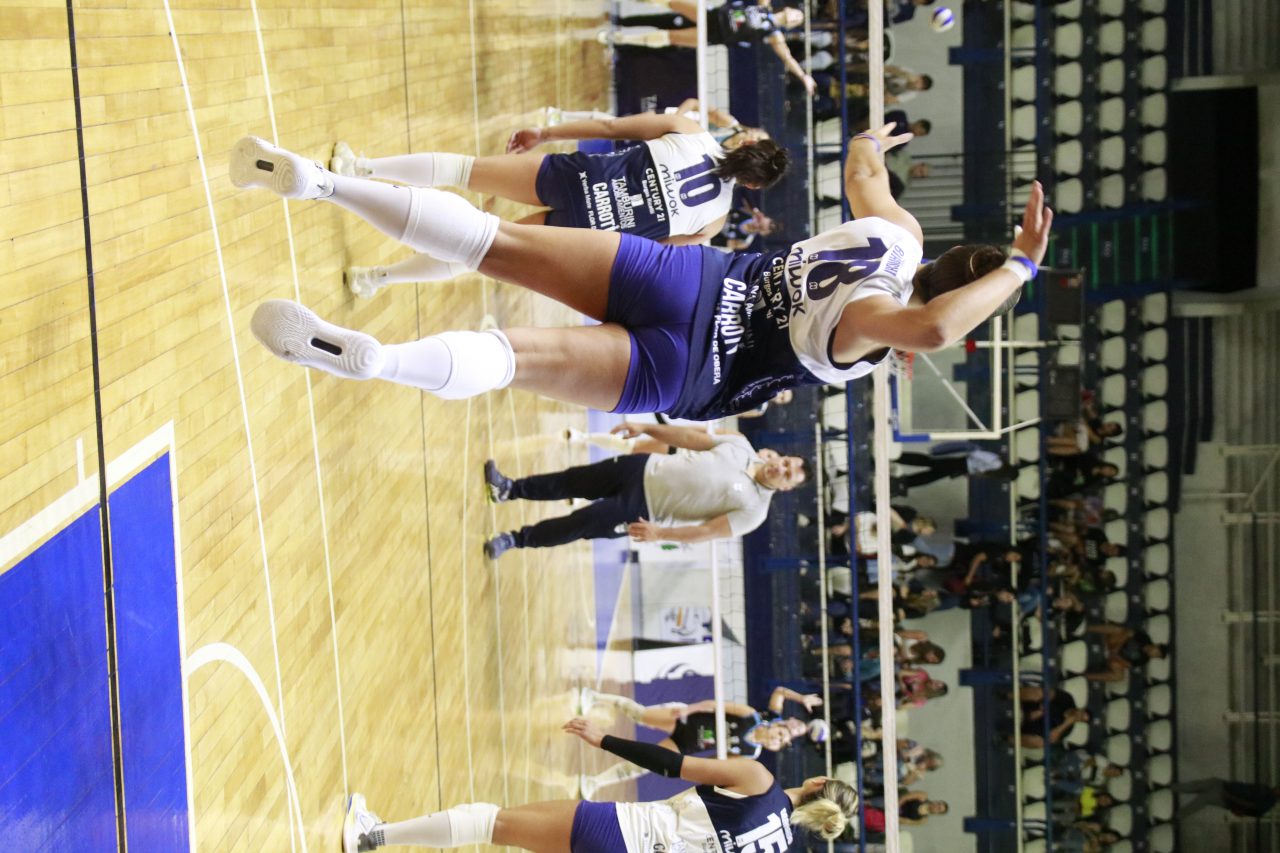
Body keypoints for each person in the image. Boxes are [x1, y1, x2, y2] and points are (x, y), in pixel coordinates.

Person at [234, 119, 1051, 422]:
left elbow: (864, 165)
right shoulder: (877, 324)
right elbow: (934, 328)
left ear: (943, 257)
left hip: (693, 279)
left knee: (490, 239)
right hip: (692, 368)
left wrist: (875, 138)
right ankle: (380, 361)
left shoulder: (897, 233)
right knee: (513, 358)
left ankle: (324, 183)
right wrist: (1020, 271)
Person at [332, 110, 787, 296]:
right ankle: (377, 278)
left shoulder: (690, 130)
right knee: (476, 250)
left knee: (463, 170)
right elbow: (654, 253)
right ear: (751, 185)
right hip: (587, 233)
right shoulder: (714, 221)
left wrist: (545, 133)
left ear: (746, 142)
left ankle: (360, 168)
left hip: (577, 179)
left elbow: (610, 129)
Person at [341, 716, 859, 851]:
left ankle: (371, 835)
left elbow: (669, 764)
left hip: (624, 833)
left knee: (492, 822)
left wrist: (604, 739)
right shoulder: (778, 848)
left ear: (816, 781)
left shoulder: (759, 780)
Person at [480, 422, 805, 558]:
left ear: (788, 487)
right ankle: (508, 489)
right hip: (641, 468)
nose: (782, 469)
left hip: (642, 509)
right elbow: (689, 438)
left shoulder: (754, 511)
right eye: (787, 462)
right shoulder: (740, 444)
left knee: (579, 523)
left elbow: (706, 532)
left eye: (788, 474)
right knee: (571, 480)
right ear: (784, 457)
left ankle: (514, 540)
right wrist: (646, 428)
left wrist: (659, 534)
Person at [577, 685, 822, 797]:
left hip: (688, 745)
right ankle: (595, 697)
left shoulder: (751, 754)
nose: (777, 741)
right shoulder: (751, 716)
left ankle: (595, 782)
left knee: (641, 765)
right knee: (639, 714)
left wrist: (692, 764)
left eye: (780, 743)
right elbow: (715, 705)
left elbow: (718, 762)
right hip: (687, 720)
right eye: (780, 735)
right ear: (776, 725)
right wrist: (688, 709)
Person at [604, 1, 819, 97]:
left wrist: (803, 77)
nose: (795, 17)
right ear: (788, 8)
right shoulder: (764, 6)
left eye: (797, 21)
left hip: (714, 36)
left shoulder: (773, 34)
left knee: (670, 37)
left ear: (791, 26)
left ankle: (620, 38)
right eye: (797, 14)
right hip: (712, 16)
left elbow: (787, 58)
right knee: (671, 3)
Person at [1083, 622, 1168, 682]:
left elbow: (1128, 664)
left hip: (1115, 658)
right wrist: (1116, 648)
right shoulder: (1145, 638)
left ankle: (1085, 677)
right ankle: (1086, 628)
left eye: (1157, 656)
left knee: (1119, 677)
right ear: (1156, 646)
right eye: (1157, 653)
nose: (1154, 655)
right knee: (1118, 629)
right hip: (1114, 643)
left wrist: (1116, 657)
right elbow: (1127, 633)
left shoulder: (1144, 660)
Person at [1173, 777, 1280, 818]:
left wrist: (1229, 797)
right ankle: (1172, 788)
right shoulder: (1266, 790)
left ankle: (1175, 816)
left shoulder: (1268, 803)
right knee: (1196, 786)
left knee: (1201, 799)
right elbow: (1246, 789)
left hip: (1225, 796)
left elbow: (1249, 805)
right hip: (1225, 787)